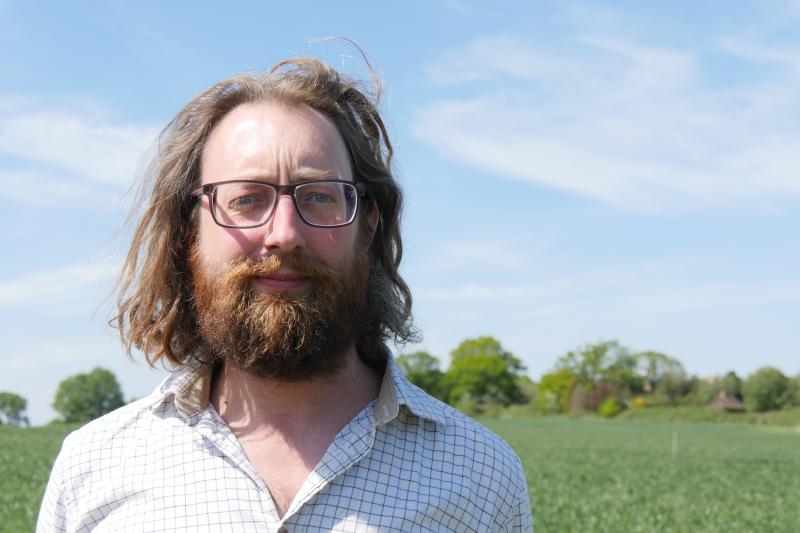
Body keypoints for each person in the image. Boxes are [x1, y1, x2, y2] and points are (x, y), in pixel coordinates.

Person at [37, 56, 533, 532]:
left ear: (369, 223)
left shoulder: (480, 475)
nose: (284, 234)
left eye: (319, 195)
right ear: (191, 229)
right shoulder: (92, 467)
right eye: (246, 199)